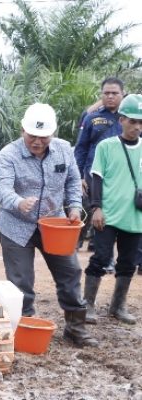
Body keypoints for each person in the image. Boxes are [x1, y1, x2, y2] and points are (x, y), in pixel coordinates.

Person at [0, 103, 98, 347]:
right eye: (32, 136)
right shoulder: (8, 154)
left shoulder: (63, 150)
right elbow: (1, 189)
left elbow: (73, 180)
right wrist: (18, 202)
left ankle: (75, 328)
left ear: (53, 133)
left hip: (54, 223)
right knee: (21, 281)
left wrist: (73, 206)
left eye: (43, 137)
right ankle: (26, 327)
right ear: (22, 130)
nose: (38, 142)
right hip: (17, 227)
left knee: (70, 271)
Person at [83, 94, 142, 326]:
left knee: (128, 262)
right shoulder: (106, 146)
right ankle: (87, 304)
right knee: (100, 258)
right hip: (107, 216)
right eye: (132, 121)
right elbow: (96, 178)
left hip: (135, 217)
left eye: (141, 122)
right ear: (121, 120)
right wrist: (96, 208)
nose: (136, 126)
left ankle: (118, 306)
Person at [74, 77, 124, 266]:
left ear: (122, 94)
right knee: (99, 214)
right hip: (94, 175)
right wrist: (78, 176)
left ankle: (127, 259)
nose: (110, 96)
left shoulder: (131, 117)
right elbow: (81, 148)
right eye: (106, 93)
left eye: (115, 93)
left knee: (120, 215)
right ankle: (106, 258)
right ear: (101, 95)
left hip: (122, 176)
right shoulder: (91, 118)